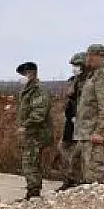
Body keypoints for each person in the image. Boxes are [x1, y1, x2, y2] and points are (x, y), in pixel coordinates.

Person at [72, 43, 104, 184]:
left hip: (95, 134)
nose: (87, 59)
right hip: (87, 133)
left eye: (90, 55)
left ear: (98, 56)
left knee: (94, 178)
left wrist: (100, 131)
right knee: (87, 177)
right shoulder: (95, 74)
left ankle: (99, 205)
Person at [15, 61, 53, 199]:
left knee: (30, 163)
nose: (21, 77)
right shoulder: (27, 90)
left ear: (31, 73)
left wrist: (26, 125)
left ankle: (33, 193)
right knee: (29, 162)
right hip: (30, 134)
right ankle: (32, 191)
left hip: (37, 133)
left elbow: (39, 113)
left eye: (23, 74)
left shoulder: (38, 90)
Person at [58, 52, 89, 190]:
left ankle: (77, 180)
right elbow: (71, 102)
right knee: (64, 149)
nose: (74, 68)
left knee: (79, 155)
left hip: (84, 126)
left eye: (77, 65)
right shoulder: (75, 81)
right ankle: (70, 179)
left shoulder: (90, 82)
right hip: (71, 125)